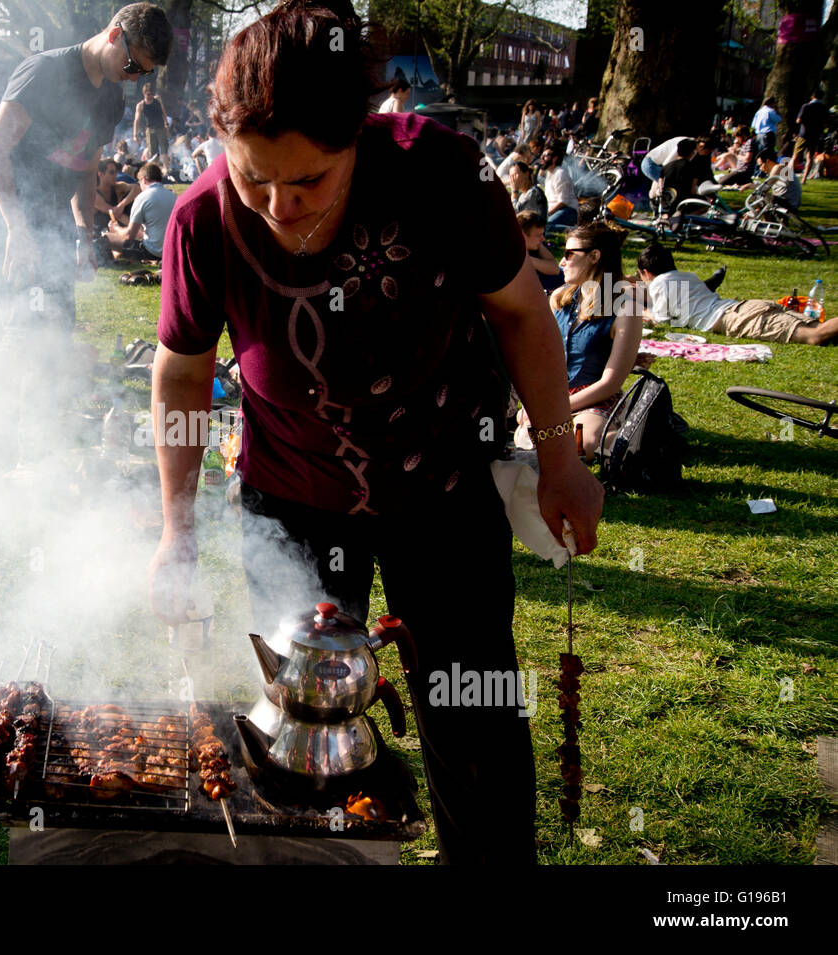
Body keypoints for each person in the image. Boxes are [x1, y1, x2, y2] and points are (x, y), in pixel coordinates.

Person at [149, 0, 602, 865]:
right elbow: (179, 369)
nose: (279, 205)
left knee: (476, 722)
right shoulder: (202, 219)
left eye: (309, 181)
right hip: (292, 499)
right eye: (254, 179)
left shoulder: (441, 174)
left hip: (441, 488)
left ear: (358, 134)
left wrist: (561, 458)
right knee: (300, 738)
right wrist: (177, 528)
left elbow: (521, 315)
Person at [0, 2, 172, 462]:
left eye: (144, 74)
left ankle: (34, 440)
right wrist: (16, 230)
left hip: (51, 217)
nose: (134, 77)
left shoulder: (111, 99)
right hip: (2, 209)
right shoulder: (44, 71)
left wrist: (82, 229)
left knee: (57, 328)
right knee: (25, 327)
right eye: (133, 65)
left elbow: (85, 168)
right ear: (115, 35)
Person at [535, 222, 641, 461]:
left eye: (569, 254)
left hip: (595, 398)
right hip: (556, 396)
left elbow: (610, 383)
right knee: (532, 439)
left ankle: (626, 435)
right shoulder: (559, 300)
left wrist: (558, 408)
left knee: (582, 444)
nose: (562, 262)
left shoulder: (626, 310)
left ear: (594, 256)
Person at [637, 242, 838, 345]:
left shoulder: (658, 284)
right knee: (821, 329)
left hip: (736, 318)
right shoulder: (687, 276)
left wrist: (645, 312)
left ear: (646, 273)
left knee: (815, 335)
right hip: (743, 307)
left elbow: (663, 320)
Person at [104, 161, 176, 260]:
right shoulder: (174, 197)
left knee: (106, 238)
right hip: (171, 251)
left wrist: (116, 228)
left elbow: (129, 236)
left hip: (152, 252)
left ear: (143, 180)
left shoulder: (143, 197)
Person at [518, 211, 562, 292]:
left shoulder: (535, 247)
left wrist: (528, 259)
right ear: (522, 235)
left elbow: (555, 269)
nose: (543, 239)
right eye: (538, 235)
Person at [794, 90, 830, 183]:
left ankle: (788, 177)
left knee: (796, 155)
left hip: (804, 134)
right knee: (810, 157)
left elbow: (798, 120)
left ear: (812, 96)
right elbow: (826, 123)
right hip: (815, 135)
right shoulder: (824, 108)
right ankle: (804, 178)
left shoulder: (806, 106)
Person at [540, 142, 578, 229]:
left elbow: (563, 202)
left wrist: (547, 214)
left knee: (546, 228)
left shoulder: (560, 174)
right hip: (555, 210)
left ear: (554, 159)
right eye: (542, 155)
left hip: (568, 210)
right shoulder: (549, 173)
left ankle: (573, 230)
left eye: (545, 155)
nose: (541, 158)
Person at [755, 146, 801, 211]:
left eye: (760, 165)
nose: (760, 168)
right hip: (788, 202)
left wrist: (751, 186)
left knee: (760, 196)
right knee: (762, 197)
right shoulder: (778, 169)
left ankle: (753, 216)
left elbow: (764, 188)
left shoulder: (778, 167)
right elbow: (773, 192)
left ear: (768, 161)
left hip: (789, 204)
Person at [133, 81, 170, 162]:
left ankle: (166, 168)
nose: (150, 96)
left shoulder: (157, 99)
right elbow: (136, 120)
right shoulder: (140, 105)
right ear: (144, 93)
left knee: (164, 149)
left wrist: (166, 123)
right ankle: (156, 168)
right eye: (148, 94)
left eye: (151, 94)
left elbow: (163, 111)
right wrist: (135, 135)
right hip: (150, 129)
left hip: (161, 127)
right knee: (153, 152)